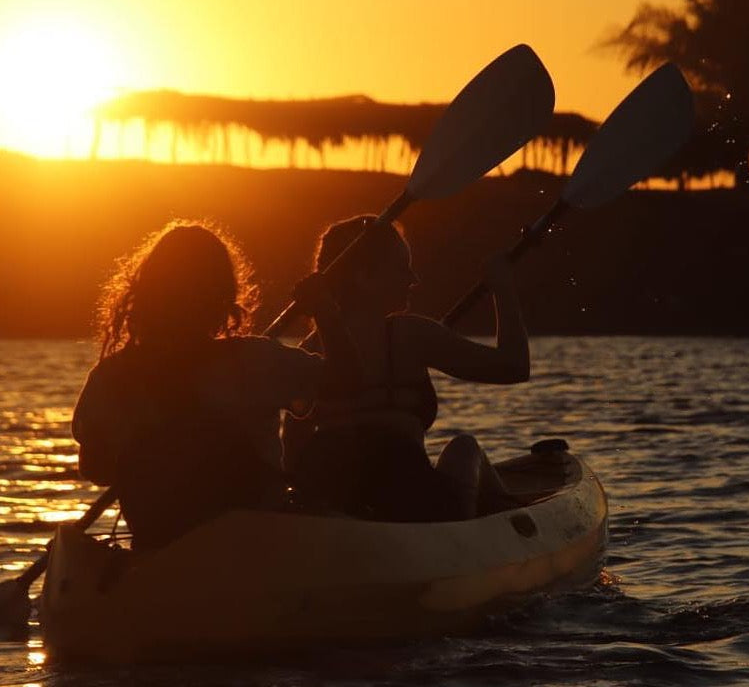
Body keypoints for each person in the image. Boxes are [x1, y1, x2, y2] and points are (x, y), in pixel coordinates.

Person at [73, 220, 357, 550]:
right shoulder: (255, 360)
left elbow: (96, 469)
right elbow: (349, 383)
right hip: (258, 546)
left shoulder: (111, 376)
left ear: (148, 293)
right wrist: (325, 311)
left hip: (161, 548)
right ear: (222, 298)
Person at [282, 214, 530, 521]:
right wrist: (503, 288)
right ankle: (500, 527)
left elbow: (292, 454)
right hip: (413, 503)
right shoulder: (410, 335)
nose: (413, 279)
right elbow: (513, 367)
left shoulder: (306, 351)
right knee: (465, 449)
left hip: (338, 502)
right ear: (364, 278)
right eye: (401, 268)